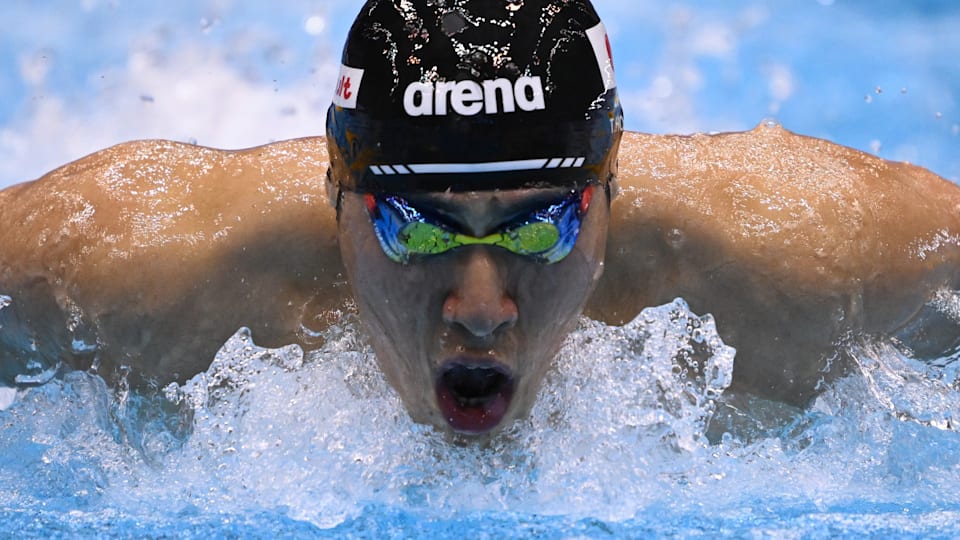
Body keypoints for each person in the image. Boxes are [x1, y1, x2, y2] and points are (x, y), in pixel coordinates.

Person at [1, 0, 959, 435]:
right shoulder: (139, 261)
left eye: (539, 226)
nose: (481, 305)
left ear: (608, 195)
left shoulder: (807, 259)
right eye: (415, 227)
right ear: (337, 196)